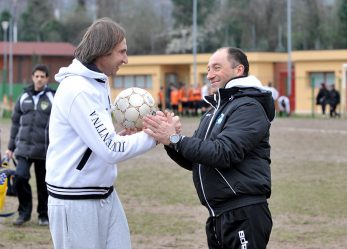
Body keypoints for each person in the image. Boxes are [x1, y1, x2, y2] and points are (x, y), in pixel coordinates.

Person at [143, 47, 274, 249]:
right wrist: (169, 140)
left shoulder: (248, 107)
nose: (210, 74)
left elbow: (223, 152)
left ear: (239, 70)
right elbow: (195, 160)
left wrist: (176, 139)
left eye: (217, 68)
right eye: (208, 68)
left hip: (243, 214)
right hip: (218, 216)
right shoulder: (215, 109)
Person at [45, 18, 157, 249]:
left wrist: (122, 136)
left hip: (105, 195)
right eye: (122, 52)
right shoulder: (77, 89)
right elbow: (110, 150)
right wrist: (156, 135)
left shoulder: (98, 83)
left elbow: (99, 141)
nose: (126, 59)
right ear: (103, 52)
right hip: (75, 201)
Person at [5, 64, 54, 226]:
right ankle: (24, 213)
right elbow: (15, 124)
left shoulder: (54, 97)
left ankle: (43, 215)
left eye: (42, 76)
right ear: (32, 77)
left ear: (47, 79)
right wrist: (10, 148)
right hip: (23, 149)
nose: (39, 79)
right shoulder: (23, 97)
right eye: (37, 76)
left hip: (45, 150)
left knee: (43, 185)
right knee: (19, 177)